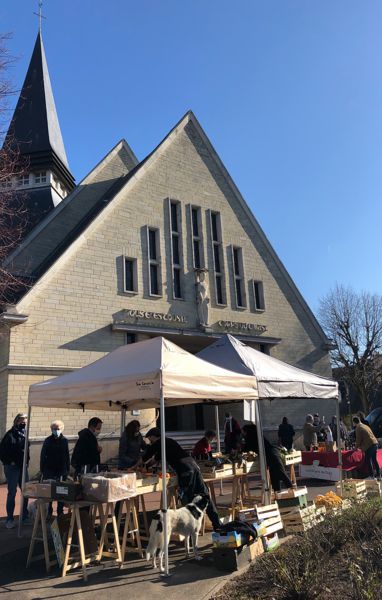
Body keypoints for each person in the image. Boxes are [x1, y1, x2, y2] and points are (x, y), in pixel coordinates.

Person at [143, 427, 221, 530]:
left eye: (150, 439)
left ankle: (190, 528)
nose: (150, 442)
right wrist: (147, 466)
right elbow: (155, 459)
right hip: (194, 467)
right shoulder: (168, 441)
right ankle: (217, 524)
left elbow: (145, 457)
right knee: (205, 496)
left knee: (188, 501)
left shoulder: (159, 443)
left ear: (153, 436)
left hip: (185, 471)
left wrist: (138, 466)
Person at [242, 424, 294, 493]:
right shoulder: (257, 435)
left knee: (281, 473)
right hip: (271, 454)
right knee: (274, 476)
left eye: (243, 432)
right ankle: (277, 493)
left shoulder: (251, 437)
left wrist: (240, 449)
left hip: (272, 455)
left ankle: (292, 491)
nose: (243, 433)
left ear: (247, 431)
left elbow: (246, 448)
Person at [0, 413, 30, 528]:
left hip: (23, 467)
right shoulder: (9, 434)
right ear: (16, 421)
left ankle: (24, 516)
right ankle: (9, 519)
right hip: (12, 468)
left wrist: (27, 461)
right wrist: (9, 462)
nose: (23, 423)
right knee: (12, 492)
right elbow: (2, 452)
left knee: (26, 491)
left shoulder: (25, 434)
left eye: (25, 421)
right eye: (21, 421)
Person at [40, 420, 70, 517]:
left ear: (61, 429)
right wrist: (43, 469)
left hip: (61, 469)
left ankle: (60, 510)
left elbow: (66, 455)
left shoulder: (64, 440)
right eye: (54, 429)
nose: (56, 431)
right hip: (49, 469)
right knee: (50, 491)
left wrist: (67, 469)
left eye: (58, 429)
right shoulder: (47, 440)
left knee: (61, 491)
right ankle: (49, 510)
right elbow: (43, 455)